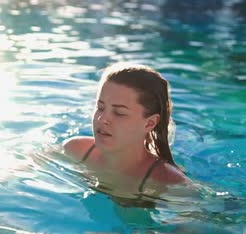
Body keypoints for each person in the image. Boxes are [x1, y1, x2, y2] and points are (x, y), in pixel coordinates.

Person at [63, 62, 188, 196]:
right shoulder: (75, 151)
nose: (101, 119)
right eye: (100, 108)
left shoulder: (167, 182)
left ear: (149, 123)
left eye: (119, 113)